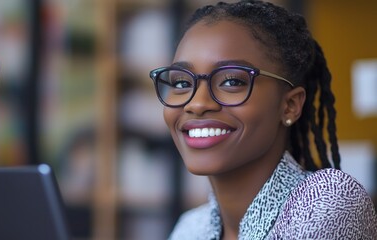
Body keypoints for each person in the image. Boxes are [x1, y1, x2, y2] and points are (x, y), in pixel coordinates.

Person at [148, 1, 377, 239]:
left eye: (232, 81)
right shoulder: (190, 228)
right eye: (182, 83)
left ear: (290, 106)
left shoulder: (326, 202)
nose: (197, 103)